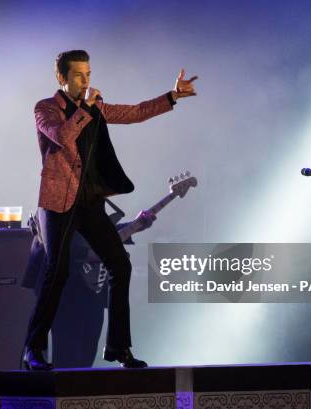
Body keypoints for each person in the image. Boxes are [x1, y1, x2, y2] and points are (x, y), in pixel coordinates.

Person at [23, 49, 197, 370]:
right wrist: (87, 108)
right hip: (58, 203)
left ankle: (119, 347)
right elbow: (62, 136)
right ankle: (33, 349)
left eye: (88, 74)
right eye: (78, 75)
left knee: (121, 265)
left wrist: (172, 96)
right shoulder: (46, 109)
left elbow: (134, 113)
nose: (86, 80)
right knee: (56, 272)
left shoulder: (96, 108)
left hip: (89, 202)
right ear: (62, 78)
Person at [22, 201, 156, 368]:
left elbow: (101, 231)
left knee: (86, 353)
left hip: (92, 286)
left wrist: (134, 225)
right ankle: (33, 350)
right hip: (66, 288)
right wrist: (89, 253)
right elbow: (51, 238)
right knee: (67, 356)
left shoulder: (92, 196)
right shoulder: (57, 192)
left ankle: (117, 347)